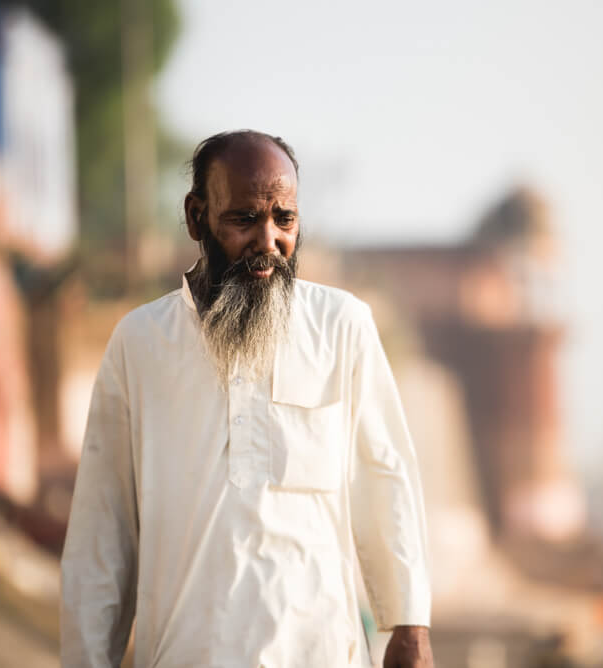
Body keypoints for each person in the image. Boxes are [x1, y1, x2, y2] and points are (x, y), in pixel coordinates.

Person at [60, 130, 434, 667]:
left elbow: (386, 478)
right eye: (243, 219)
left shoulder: (341, 328)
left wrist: (410, 628)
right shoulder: (140, 344)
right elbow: (103, 531)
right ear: (196, 218)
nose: (268, 241)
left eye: (284, 219)